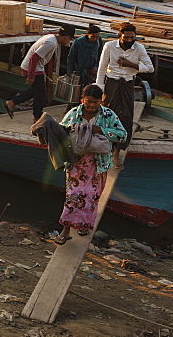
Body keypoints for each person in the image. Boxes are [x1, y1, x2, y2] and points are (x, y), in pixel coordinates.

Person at [54, 84, 127, 245]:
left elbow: (122, 135)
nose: (92, 105)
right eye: (88, 102)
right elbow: (60, 131)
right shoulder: (74, 113)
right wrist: (70, 129)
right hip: (76, 164)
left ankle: (84, 225)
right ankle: (66, 230)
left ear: (102, 101)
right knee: (73, 196)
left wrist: (100, 130)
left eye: (96, 102)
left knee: (92, 196)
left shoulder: (108, 115)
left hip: (98, 163)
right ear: (82, 100)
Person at [96, 22, 153, 152]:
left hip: (128, 83)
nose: (129, 40)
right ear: (119, 36)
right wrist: (100, 86)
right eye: (126, 38)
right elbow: (102, 67)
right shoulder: (109, 46)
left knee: (127, 114)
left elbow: (150, 68)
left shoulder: (139, 48)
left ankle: (121, 146)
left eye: (132, 38)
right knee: (108, 111)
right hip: (112, 82)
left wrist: (131, 64)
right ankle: (106, 142)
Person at [5, 24, 76, 122]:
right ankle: (37, 117)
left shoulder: (51, 37)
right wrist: (31, 75)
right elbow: (35, 57)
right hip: (33, 68)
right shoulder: (51, 43)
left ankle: (12, 103)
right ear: (67, 37)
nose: (68, 42)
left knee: (36, 90)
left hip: (35, 67)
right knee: (41, 94)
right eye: (69, 39)